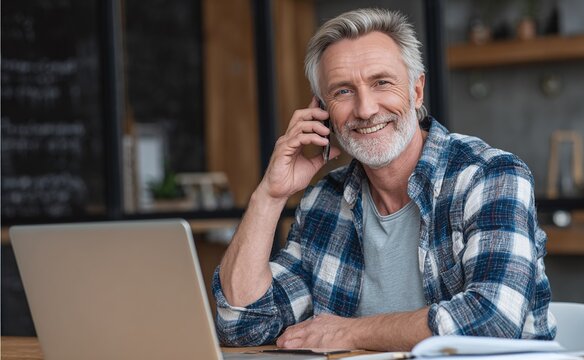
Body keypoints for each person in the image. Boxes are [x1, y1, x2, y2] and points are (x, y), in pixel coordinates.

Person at [212, 8, 556, 351]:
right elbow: (244, 326)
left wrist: (350, 333)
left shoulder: (488, 177)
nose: (364, 109)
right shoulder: (324, 201)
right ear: (323, 110)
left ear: (416, 92)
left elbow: (492, 321)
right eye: (343, 91)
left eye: (381, 83)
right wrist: (270, 195)